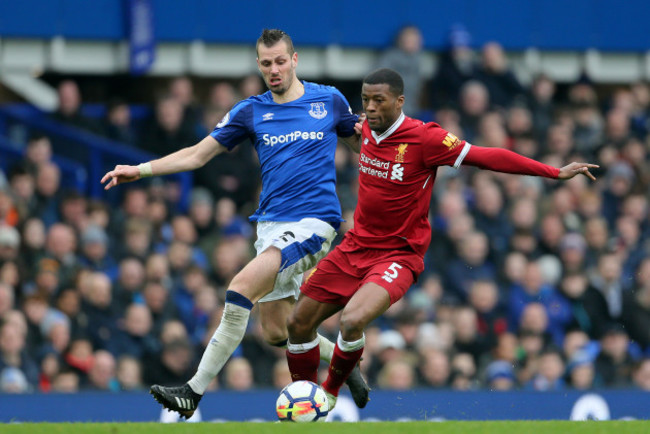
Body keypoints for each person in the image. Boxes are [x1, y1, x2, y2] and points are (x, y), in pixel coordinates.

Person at [285, 68, 598, 409]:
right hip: (355, 246)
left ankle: (328, 396)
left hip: (398, 255)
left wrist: (553, 171)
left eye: (379, 100)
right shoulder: (364, 129)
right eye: (366, 100)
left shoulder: (425, 139)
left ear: (399, 101)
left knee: (352, 320)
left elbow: (486, 156)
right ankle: (304, 400)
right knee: (298, 323)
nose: (371, 107)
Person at [100, 28, 369, 418]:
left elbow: (362, 147)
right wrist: (139, 171)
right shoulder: (250, 111)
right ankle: (346, 364)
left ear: (294, 60)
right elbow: (196, 155)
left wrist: (388, 147)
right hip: (270, 226)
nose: (274, 70)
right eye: (266, 64)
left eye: (280, 61)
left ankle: (192, 392)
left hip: (315, 223)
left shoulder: (328, 100)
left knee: (240, 288)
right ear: (258, 65)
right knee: (278, 332)